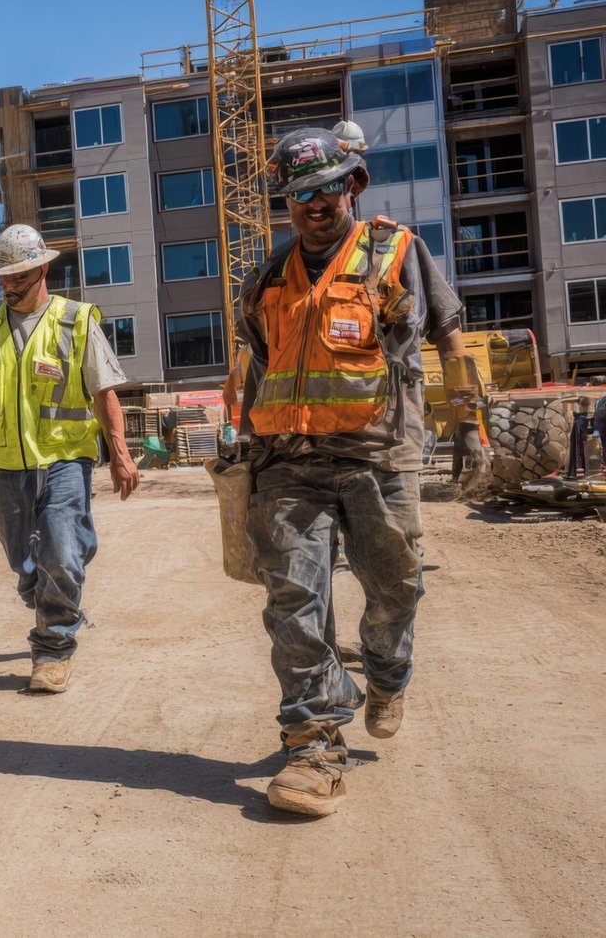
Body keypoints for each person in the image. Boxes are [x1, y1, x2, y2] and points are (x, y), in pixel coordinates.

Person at [237, 123, 483, 817]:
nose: (313, 204)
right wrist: (245, 454)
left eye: (325, 188)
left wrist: (469, 417)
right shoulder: (264, 278)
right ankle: (313, 743)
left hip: (380, 457)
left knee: (395, 589)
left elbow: (448, 326)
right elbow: (261, 367)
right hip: (291, 464)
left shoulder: (396, 252)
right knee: (294, 601)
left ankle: (385, 672)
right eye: (298, 194)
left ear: (354, 183)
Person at [0, 225, 139, 693]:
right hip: (7, 462)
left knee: (61, 552)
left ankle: (53, 647)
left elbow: (104, 393)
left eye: (18, 274)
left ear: (43, 268)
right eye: (2, 275)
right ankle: (50, 598)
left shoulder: (76, 320)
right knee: (20, 556)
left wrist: (120, 454)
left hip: (65, 459)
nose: (8, 283)